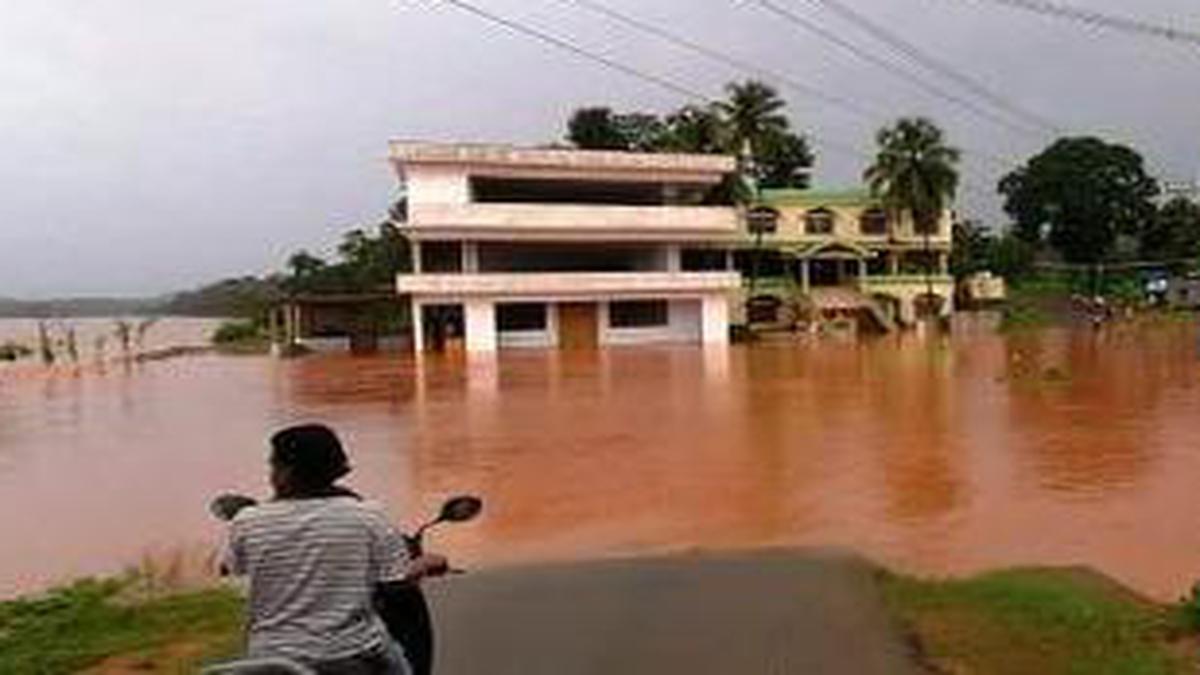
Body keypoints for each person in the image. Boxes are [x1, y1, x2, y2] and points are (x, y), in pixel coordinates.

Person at [222, 424, 446, 675]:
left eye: (273, 466)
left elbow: (231, 569)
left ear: (285, 472)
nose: (271, 474)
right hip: (352, 653)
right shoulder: (368, 516)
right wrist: (426, 563)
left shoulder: (248, 521)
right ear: (336, 469)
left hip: (269, 656)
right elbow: (395, 584)